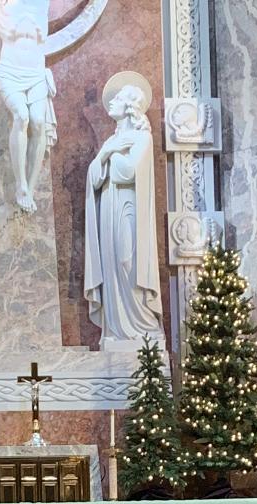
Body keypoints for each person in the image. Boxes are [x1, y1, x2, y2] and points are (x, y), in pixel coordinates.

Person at [84, 79, 163, 346]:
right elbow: (94, 177)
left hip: (129, 206)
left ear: (130, 106)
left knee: (127, 260)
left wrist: (110, 156)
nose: (112, 102)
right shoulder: (112, 141)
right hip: (108, 205)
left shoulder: (142, 137)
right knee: (111, 263)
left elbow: (128, 172)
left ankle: (142, 325)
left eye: (118, 98)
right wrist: (107, 152)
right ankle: (117, 330)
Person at [0, 0, 56, 213]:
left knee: (38, 121)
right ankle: (21, 184)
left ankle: (31, 186)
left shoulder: (42, 3)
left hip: (36, 73)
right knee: (21, 116)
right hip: (9, 72)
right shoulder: (4, 4)